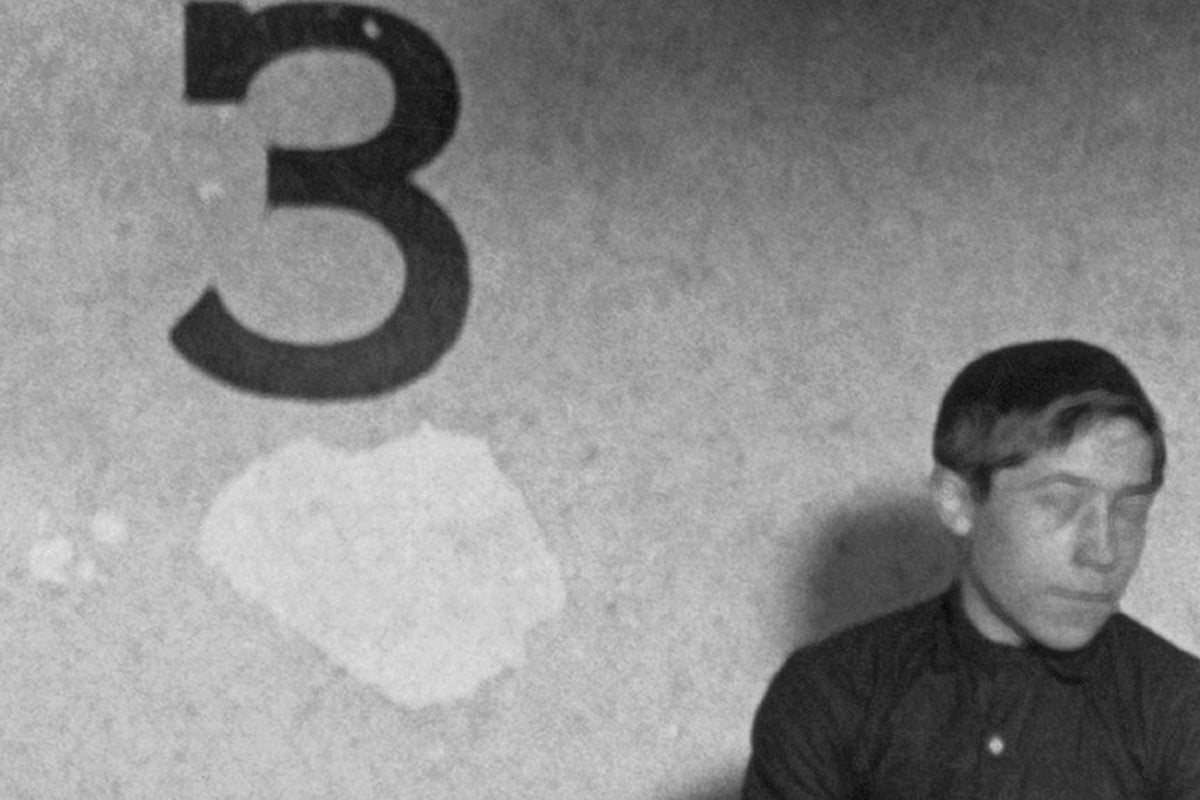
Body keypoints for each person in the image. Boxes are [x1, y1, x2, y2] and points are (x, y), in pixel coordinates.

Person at [742, 339, 1200, 799]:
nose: (1103, 551)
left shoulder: (1181, 707)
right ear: (957, 502)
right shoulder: (829, 694)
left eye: (1131, 508)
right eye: (1062, 502)